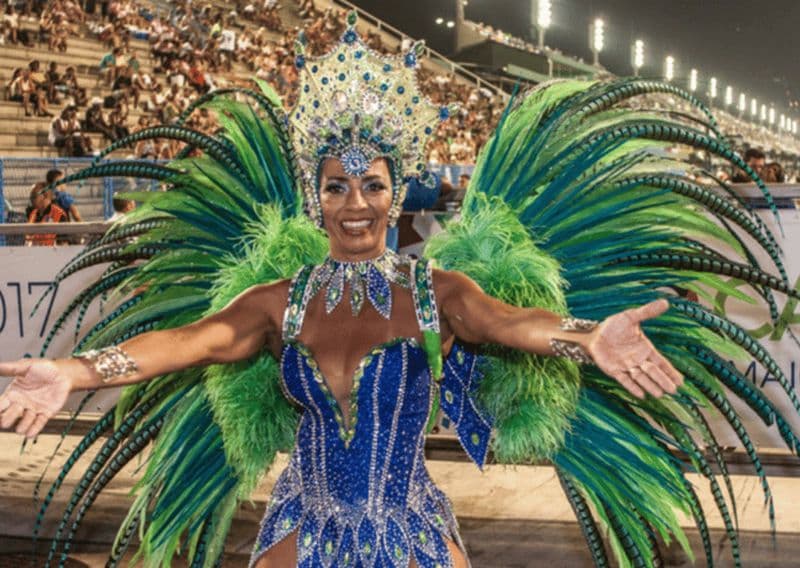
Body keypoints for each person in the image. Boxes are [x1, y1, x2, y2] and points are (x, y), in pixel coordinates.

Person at [0, 14, 794, 568]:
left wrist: (586, 336)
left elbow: (509, 321)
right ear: (317, 196)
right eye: (337, 186)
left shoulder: (433, 290)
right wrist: (74, 372)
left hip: (407, 526)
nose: (355, 204)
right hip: (299, 527)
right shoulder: (284, 300)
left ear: (398, 191)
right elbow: (185, 344)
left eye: (371, 185)